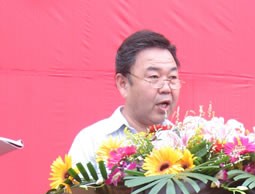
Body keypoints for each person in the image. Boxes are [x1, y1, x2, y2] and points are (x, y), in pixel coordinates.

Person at [69, 30, 181, 165]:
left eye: (172, 77)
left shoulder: (185, 142)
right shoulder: (92, 142)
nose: (166, 88)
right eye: (154, 77)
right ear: (123, 84)